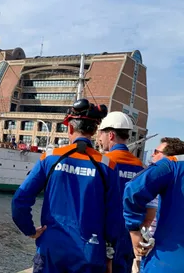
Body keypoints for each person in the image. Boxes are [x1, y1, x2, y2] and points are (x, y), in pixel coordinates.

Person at [11, 98, 123, 273]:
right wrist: (109, 253)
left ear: (70, 127)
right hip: (90, 253)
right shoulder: (107, 166)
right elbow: (114, 217)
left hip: (52, 250)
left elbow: (19, 200)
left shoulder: (50, 158)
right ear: (94, 131)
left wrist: (30, 230)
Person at [123, 139, 184, 273]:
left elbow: (133, 191)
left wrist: (134, 231)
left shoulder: (172, 165)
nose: (152, 155)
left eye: (156, 152)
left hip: (169, 260)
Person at [97, 111, 146, 273]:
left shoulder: (104, 162)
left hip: (103, 236)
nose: (99, 139)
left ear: (110, 135)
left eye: (101, 134)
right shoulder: (140, 166)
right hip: (128, 237)